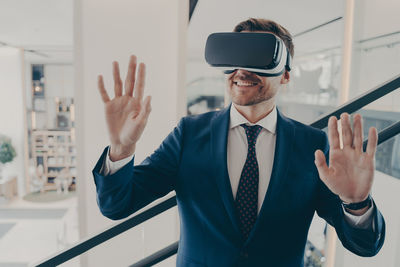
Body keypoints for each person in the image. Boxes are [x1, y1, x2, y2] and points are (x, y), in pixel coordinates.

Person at [93, 18, 385, 266]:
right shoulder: (189, 134)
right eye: (234, 57)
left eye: (257, 58)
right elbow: (116, 205)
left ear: (285, 75)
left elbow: (364, 245)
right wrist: (121, 150)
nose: (241, 71)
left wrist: (356, 203)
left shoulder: (314, 146)